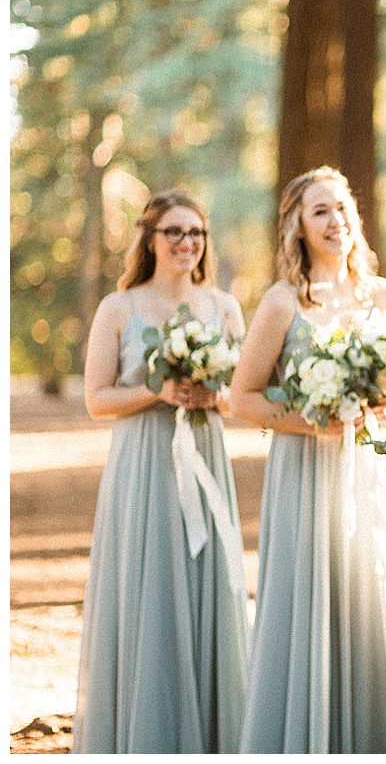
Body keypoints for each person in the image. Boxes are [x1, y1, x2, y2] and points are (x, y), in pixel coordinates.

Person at [229, 167, 386, 753]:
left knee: (366, 590)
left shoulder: (383, 296)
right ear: (298, 228)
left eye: (341, 209)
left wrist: (381, 406)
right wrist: (309, 421)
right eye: (319, 213)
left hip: (365, 470)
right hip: (303, 471)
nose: (335, 223)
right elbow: (242, 397)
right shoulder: (283, 302)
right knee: (306, 595)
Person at [74, 191, 249, 752]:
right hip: (144, 462)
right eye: (173, 232)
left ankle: (212, 731)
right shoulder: (118, 308)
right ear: (149, 239)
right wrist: (157, 390)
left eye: (195, 232)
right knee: (150, 583)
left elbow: (240, 397)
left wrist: (210, 394)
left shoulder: (223, 307)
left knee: (207, 578)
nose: (186, 243)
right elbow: (97, 399)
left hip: (204, 452)